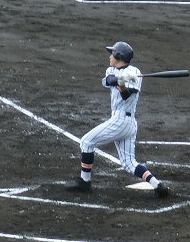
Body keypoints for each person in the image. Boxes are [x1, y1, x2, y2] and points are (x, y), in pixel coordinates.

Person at [65, 41, 169, 198]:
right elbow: (109, 80)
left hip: (122, 120)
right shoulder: (111, 70)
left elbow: (126, 95)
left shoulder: (135, 73)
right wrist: (120, 79)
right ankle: (158, 186)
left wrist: (123, 84)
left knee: (86, 142)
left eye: (112, 54)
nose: (109, 57)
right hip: (125, 123)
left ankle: (84, 182)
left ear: (119, 56)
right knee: (128, 163)